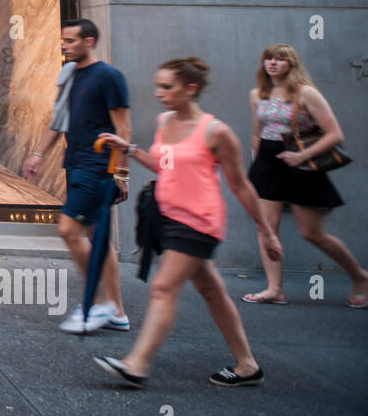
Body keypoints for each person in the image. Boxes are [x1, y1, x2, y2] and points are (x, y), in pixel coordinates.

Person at [93, 57, 282, 387]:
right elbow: (163, 165)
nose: (159, 93)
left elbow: (240, 184)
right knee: (212, 291)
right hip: (169, 218)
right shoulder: (164, 121)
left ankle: (136, 365)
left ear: (190, 89)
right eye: (158, 86)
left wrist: (267, 232)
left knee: (164, 287)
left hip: (199, 222)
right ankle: (247, 365)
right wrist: (131, 149)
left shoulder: (216, 131)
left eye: (167, 87)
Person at [23, 19, 131, 333]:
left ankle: (97, 304)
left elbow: (123, 129)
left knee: (69, 231)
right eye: (63, 40)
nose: (64, 45)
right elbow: (58, 121)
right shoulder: (70, 75)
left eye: (70, 41)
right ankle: (118, 312)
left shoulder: (108, 77)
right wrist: (38, 154)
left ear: (89, 41)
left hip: (97, 166)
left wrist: (121, 175)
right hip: (76, 162)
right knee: (98, 239)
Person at [242, 43, 366, 307]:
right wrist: (257, 165)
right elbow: (257, 133)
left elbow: (335, 134)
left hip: (301, 165)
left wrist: (301, 157)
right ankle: (275, 289)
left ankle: (360, 276)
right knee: (265, 228)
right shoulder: (258, 94)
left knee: (312, 232)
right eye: (269, 58)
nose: (273, 63)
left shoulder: (305, 92)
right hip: (267, 165)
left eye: (280, 59)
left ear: (292, 64)